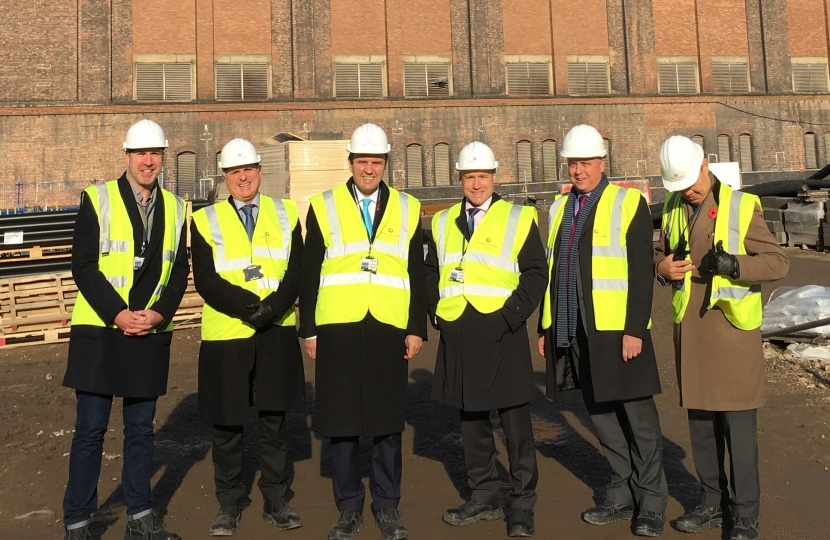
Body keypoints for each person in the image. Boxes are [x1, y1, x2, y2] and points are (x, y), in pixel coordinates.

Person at [654, 136, 789, 540]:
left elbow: (778, 262)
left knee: (738, 429)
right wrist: (662, 267)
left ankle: (746, 514)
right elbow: (662, 255)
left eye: (692, 181)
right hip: (691, 332)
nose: (688, 191)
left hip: (732, 333)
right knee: (700, 424)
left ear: (706, 164)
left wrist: (734, 265)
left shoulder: (742, 205)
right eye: (678, 186)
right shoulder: (673, 207)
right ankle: (711, 504)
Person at [538, 124, 668, 537]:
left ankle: (651, 500)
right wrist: (547, 326)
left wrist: (635, 330)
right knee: (602, 416)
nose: (578, 171)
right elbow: (554, 271)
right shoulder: (559, 208)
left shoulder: (628, 202)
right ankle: (620, 491)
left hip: (617, 331)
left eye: (585, 163)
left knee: (638, 419)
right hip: (574, 329)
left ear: (602, 163)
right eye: (572, 163)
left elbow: (641, 273)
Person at [299, 123, 427, 540]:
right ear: (350, 163)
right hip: (337, 324)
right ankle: (349, 505)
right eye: (362, 162)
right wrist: (309, 329)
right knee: (342, 420)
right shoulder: (323, 205)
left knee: (388, 420)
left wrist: (415, 327)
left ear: (386, 163)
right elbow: (309, 270)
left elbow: (416, 272)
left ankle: (387, 505)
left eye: (376, 162)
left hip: (388, 325)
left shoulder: (408, 207)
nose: (369, 169)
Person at [61, 119, 188, 540]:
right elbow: (83, 266)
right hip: (101, 331)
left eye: (155, 154)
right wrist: (118, 313)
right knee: (90, 431)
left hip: (148, 332)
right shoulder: (97, 199)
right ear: (128, 156)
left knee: (140, 430)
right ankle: (78, 522)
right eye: (141, 154)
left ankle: (140, 517)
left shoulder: (176, 205)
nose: (148, 161)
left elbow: (177, 270)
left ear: (161, 157)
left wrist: (158, 315)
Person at [426, 142, 547, 537]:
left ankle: (523, 504)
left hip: (502, 333)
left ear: (494, 178)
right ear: (460, 179)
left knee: (514, 423)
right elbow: (431, 272)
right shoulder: (443, 222)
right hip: (458, 331)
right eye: (469, 177)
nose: (476, 184)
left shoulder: (517, 217)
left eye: (482, 176)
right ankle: (483, 497)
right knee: (471, 420)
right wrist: (436, 312)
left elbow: (535, 273)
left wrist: (510, 318)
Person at [190, 138, 305, 536]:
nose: (243, 177)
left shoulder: (286, 212)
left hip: (275, 332)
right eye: (235, 171)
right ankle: (229, 503)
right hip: (228, 334)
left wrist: (271, 310)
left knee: (274, 422)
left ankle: (276, 499)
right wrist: (249, 308)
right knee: (227, 425)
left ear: (260, 171)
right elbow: (205, 279)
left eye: (249, 169)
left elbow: (297, 270)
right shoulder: (205, 220)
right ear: (224, 177)